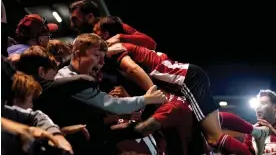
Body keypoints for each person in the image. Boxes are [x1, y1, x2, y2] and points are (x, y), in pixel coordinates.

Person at [94, 16, 267, 155]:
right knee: (204, 120)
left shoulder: (115, 49)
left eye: (95, 32)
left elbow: (132, 69)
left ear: (106, 34)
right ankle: (259, 133)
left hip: (185, 81)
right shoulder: (131, 43)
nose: (93, 35)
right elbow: (151, 43)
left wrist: (153, 96)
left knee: (213, 137)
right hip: (186, 77)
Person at [17, 35, 166, 154]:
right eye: (96, 56)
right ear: (78, 55)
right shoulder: (76, 82)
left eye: (103, 57)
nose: (101, 62)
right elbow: (113, 106)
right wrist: (146, 99)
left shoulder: (72, 75)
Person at [69, 0, 157, 50]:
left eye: (75, 19)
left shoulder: (111, 25)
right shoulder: (81, 40)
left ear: (90, 17)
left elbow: (151, 43)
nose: (72, 25)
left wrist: (119, 37)